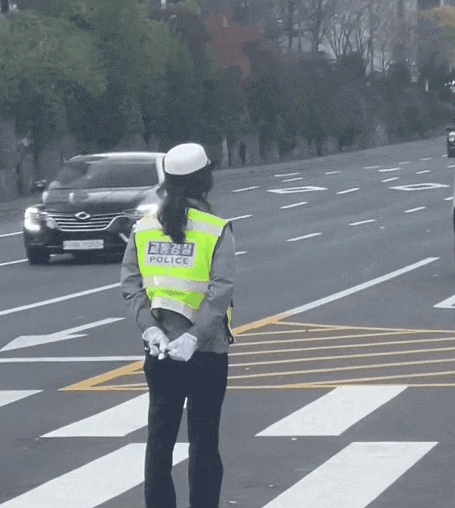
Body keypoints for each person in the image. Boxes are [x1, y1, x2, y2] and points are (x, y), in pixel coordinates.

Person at [120, 142, 235, 508]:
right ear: (206, 181)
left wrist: (149, 329)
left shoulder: (143, 229)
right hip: (205, 351)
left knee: (159, 441)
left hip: (159, 351)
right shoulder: (216, 230)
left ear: (166, 183)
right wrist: (194, 336)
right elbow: (220, 292)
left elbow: (131, 286)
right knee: (203, 443)